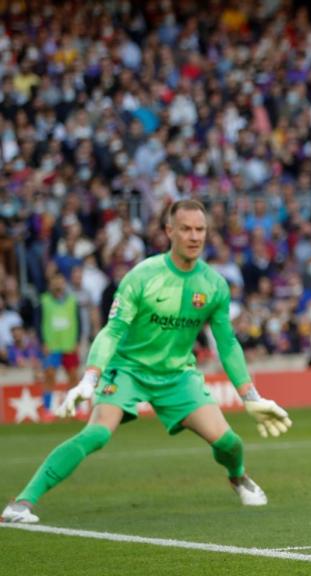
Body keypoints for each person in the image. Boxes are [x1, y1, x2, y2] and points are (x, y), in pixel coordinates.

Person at [2, 200, 293, 524]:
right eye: (186, 229)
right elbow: (112, 331)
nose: (194, 236)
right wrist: (89, 379)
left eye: (200, 229)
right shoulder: (141, 277)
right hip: (128, 369)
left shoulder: (213, 285)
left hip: (177, 376)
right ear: (170, 231)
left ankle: (238, 477)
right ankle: (21, 503)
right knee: (96, 434)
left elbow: (226, 343)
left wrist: (250, 396)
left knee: (229, 442)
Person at [39, 271, 81, 416]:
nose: (58, 284)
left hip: (69, 344)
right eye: (55, 281)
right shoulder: (44, 300)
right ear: (50, 284)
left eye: (60, 281)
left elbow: (78, 321)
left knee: (74, 376)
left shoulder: (72, 300)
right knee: (50, 376)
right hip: (51, 345)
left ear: (64, 283)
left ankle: (73, 408)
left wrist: (78, 340)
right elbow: (37, 323)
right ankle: (46, 409)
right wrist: (42, 342)